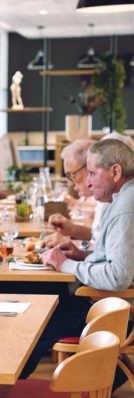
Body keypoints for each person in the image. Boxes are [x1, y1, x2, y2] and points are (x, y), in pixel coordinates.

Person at [21, 139, 134, 379]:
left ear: (115, 172)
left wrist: (66, 264)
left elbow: (119, 276)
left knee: (33, 320)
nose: (89, 181)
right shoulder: (123, 199)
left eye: (92, 172)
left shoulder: (127, 206)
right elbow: (115, 260)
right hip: (111, 306)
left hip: (118, 315)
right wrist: (83, 256)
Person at [43, 139, 95, 249]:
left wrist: (71, 244)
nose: (70, 184)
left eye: (72, 175)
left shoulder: (116, 198)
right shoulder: (104, 199)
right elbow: (98, 237)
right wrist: (73, 229)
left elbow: (107, 255)